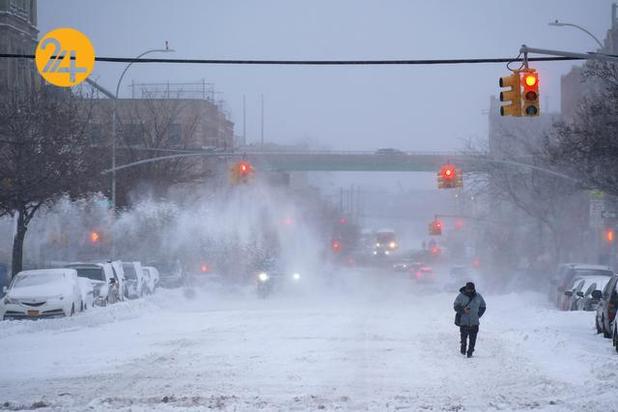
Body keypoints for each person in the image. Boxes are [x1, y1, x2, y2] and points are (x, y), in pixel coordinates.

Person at [453, 282, 486, 358]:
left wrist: (478, 315)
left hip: (474, 322)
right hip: (463, 322)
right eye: (468, 289)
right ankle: (463, 349)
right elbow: (455, 306)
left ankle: (470, 352)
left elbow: (483, 306)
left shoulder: (478, 296)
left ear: (474, 289)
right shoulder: (461, 296)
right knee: (463, 338)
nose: (470, 291)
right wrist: (463, 310)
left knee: (473, 339)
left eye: (471, 289)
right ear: (466, 288)